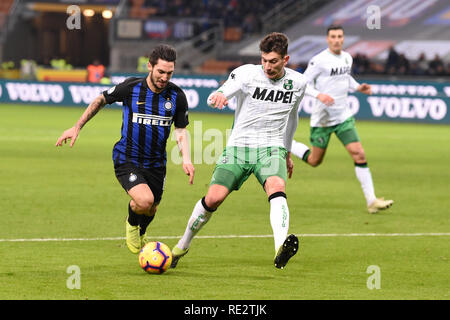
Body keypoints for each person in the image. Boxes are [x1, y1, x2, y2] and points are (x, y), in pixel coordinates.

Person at [171, 32, 308, 270]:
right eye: (264, 60)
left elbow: (292, 119)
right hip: (239, 147)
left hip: (271, 147)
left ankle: (280, 248)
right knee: (214, 198)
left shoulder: (298, 83)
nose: (267, 66)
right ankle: (182, 245)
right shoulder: (246, 73)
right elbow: (227, 88)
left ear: (286, 59)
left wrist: (286, 152)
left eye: (273, 61)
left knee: (276, 188)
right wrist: (219, 96)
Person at [56, 44, 195, 254]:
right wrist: (77, 126)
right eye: (160, 72)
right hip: (127, 158)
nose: (165, 78)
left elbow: (181, 130)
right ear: (150, 66)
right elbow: (100, 100)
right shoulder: (131, 88)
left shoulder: (177, 96)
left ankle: (142, 232)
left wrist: (186, 159)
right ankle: (132, 223)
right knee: (144, 201)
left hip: (157, 163)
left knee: (152, 207)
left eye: (169, 73)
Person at [290, 25, 393, 214]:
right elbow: (302, 84)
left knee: (359, 154)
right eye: (333, 36)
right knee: (314, 160)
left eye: (339, 36)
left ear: (343, 39)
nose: (337, 39)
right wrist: (319, 95)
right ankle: (289, 145)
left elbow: (346, 79)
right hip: (322, 120)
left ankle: (371, 200)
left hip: (343, 117)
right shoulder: (319, 60)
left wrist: (358, 87)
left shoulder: (347, 57)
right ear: (327, 39)